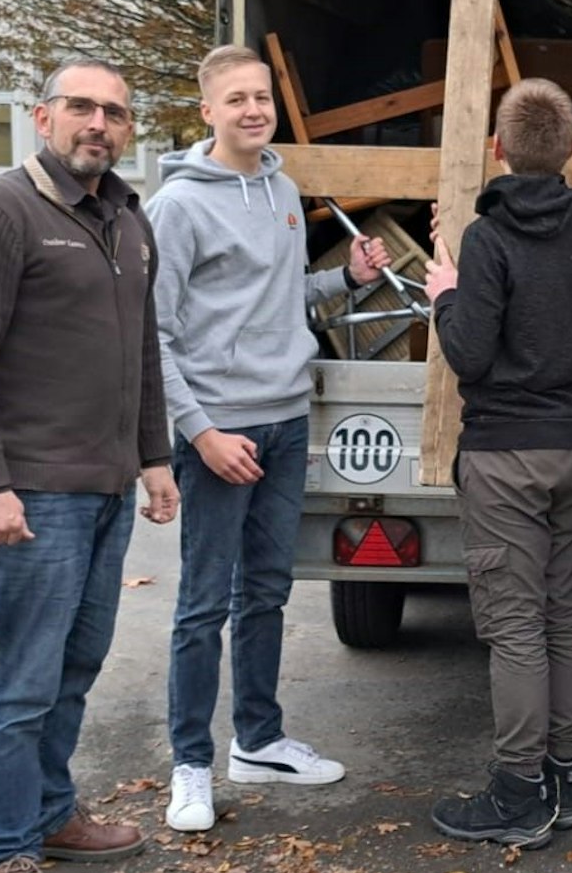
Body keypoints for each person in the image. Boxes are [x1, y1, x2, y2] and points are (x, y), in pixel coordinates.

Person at [0, 57, 181, 873]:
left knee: (73, 667)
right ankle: (5, 856)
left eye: (113, 110)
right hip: (31, 495)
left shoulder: (126, 220)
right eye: (80, 107)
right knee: (18, 681)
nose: (97, 123)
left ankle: (50, 813)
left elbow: (139, 353)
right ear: (42, 117)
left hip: (103, 490)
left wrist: (153, 458)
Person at [145, 45, 390, 833]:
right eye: (237, 99)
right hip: (221, 431)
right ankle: (190, 764)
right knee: (200, 606)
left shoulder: (281, 188)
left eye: (262, 97)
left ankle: (258, 740)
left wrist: (346, 279)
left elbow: (285, 295)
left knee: (267, 593)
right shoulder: (179, 206)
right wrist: (201, 432)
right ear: (206, 110)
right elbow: (151, 336)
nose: (253, 110)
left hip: (287, 420)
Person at [420, 78, 572, 848]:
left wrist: (446, 294)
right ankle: (563, 781)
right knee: (562, 612)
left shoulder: (488, 240)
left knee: (513, 629)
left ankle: (516, 792)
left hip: (506, 452)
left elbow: (470, 351)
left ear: (498, 149)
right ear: (569, 150)